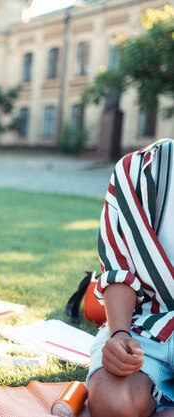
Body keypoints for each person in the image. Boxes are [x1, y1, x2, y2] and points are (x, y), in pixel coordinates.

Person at [87, 138, 174, 417]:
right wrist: (120, 335)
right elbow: (119, 271)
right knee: (113, 402)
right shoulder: (137, 170)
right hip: (144, 323)